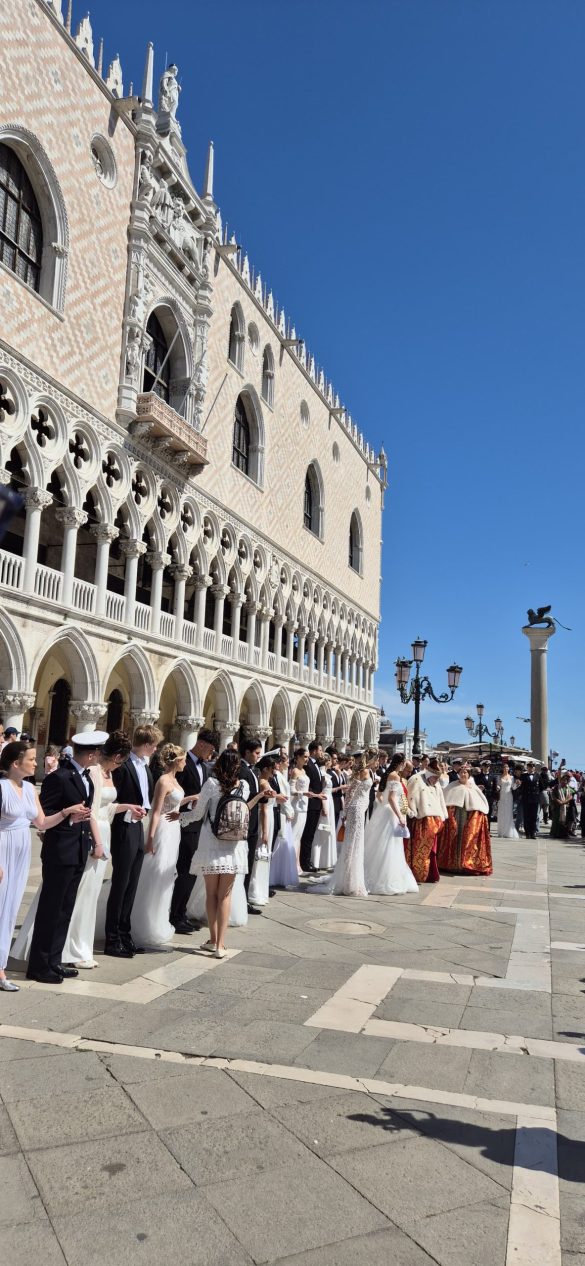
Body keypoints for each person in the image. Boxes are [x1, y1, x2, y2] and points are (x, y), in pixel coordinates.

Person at [0, 741, 90, 990]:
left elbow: (41, 822)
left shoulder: (29, 789)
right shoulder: (1, 787)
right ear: (15, 763)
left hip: (20, 852)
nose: (36, 763)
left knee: (9, 910)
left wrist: (66, 813)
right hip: (2, 848)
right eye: (31, 759)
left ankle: (0, 969)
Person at [60, 731, 144, 968]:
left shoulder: (108, 773)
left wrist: (126, 806)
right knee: (83, 893)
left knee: (92, 892)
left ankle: (81, 946)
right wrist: (98, 844)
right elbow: (92, 814)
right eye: (123, 761)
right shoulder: (96, 772)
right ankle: (73, 949)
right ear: (117, 757)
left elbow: (106, 808)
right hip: (96, 836)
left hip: (104, 832)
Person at [27, 733, 102, 984]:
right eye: (98, 753)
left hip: (78, 849)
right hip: (60, 851)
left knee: (64, 910)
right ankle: (39, 965)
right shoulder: (58, 777)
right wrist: (68, 815)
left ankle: (54, 960)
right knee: (51, 909)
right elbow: (43, 816)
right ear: (90, 754)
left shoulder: (86, 777)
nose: (99, 756)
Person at [186, 749, 268, 956]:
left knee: (211, 894)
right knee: (226, 896)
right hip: (234, 845)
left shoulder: (212, 785)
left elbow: (197, 814)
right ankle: (221, 945)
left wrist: (180, 816)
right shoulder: (244, 786)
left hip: (212, 842)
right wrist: (259, 797)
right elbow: (244, 809)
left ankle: (213, 940)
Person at [129, 743, 193, 947]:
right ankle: (145, 922)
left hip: (174, 830)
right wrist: (150, 838)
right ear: (176, 761)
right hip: (164, 829)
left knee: (168, 874)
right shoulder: (164, 781)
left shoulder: (174, 780)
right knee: (157, 873)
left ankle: (159, 918)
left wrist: (191, 798)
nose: (186, 763)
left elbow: (173, 803)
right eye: (183, 760)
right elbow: (156, 811)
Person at [105, 724, 159, 957]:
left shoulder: (145, 767)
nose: (156, 749)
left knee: (132, 884)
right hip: (123, 826)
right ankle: (112, 938)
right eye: (154, 744)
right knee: (121, 883)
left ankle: (125, 934)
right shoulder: (123, 765)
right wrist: (128, 812)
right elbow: (112, 799)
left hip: (138, 825)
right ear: (146, 744)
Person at [170, 727, 216, 934]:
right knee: (182, 870)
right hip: (182, 824)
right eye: (210, 749)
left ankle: (182, 912)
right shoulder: (182, 762)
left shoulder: (205, 767)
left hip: (199, 826)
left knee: (191, 871)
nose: (211, 754)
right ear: (202, 744)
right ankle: (174, 914)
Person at [365, 754, 418, 895]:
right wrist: (400, 816)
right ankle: (386, 879)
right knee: (390, 847)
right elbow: (392, 798)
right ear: (400, 763)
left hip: (383, 812)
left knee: (380, 845)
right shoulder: (395, 776)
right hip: (390, 814)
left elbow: (379, 796)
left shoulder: (386, 775)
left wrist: (384, 807)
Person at [329, 752, 373, 896]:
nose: (377, 762)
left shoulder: (367, 771)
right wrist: (346, 813)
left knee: (356, 844)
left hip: (360, 809)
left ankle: (353, 879)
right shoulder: (364, 771)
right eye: (376, 759)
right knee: (353, 844)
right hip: (356, 809)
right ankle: (349, 881)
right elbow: (350, 793)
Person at [438, 766, 493, 875]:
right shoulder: (452, 786)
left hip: (468, 817)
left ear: (469, 774)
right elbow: (444, 799)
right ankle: (453, 864)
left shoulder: (473, 787)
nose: (463, 774)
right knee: (455, 838)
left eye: (465, 773)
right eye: (461, 772)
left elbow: (480, 803)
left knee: (466, 839)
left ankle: (465, 864)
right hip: (455, 816)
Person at [406, 758, 448, 882]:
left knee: (432, 851)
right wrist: (412, 811)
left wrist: (443, 816)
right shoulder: (416, 780)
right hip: (421, 821)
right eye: (435, 778)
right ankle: (418, 874)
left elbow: (440, 800)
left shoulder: (436, 783)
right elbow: (410, 797)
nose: (436, 781)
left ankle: (429, 873)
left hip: (435, 821)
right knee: (420, 850)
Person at [269, 751, 298, 888]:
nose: (288, 763)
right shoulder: (279, 776)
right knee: (279, 843)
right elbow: (283, 796)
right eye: (285, 761)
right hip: (281, 813)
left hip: (284, 812)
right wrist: (289, 811)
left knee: (282, 843)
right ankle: (274, 875)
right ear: (279, 764)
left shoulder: (281, 775)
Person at [299, 740, 327, 873]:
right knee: (307, 834)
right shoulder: (308, 765)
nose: (321, 753)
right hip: (310, 803)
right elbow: (308, 786)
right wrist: (317, 796)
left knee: (311, 834)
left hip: (316, 803)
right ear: (314, 751)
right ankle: (304, 862)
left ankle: (308, 860)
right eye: (320, 750)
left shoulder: (316, 765)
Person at [311, 754, 337, 871]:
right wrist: (324, 807)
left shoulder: (327, 773)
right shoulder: (322, 774)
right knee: (322, 830)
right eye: (330, 760)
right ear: (327, 761)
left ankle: (326, 860)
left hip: (329, 801)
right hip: (325, 802)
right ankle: (317, 860)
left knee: (328, 831)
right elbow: (322, 791)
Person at [289, 748, 310, 870]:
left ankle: (297, 864)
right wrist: (303, 794)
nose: (306, 759)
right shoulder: (295, 771)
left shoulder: (304, 771)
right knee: (294, 835)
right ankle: (291, 865)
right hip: (297, 806)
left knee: (299, 836)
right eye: (305, 757)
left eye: (307, 757)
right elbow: (291, 790)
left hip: (304, 806)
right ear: (298, 757)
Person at [496, 761, 519, 840]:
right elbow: (498, 785)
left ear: (509, 768)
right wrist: (497, 788)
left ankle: (508, 831)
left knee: (508, 813)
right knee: (501, 813)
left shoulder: (512, 777)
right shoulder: (499, 777)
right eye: (504, 767)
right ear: (502, 769)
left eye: (507, 767)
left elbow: (513, 787)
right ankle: (501, 831)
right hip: (502, 796)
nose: (505, 769)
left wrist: (517, 784)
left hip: (509, 796)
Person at [550, 772, 574, 839]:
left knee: (565, 821)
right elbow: (553, 795)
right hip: (557, 806)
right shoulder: (557, 787)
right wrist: (558, 801)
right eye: (563, 780)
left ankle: (564, 834)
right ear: (561, 780)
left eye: (566, 780)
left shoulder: (568, 788)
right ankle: (556, 834)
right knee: (557, 820)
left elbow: (570, 797)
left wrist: (564, 802)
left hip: (566, 806)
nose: (564, 782)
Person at [520, 762, 540, 839]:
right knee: (526, 816)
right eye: (529, 767)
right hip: (526, 798)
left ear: (534, 767)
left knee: (534, 816)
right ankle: (527, 833)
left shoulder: (537, 775)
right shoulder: (523, 776)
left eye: (532, 767)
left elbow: (542, 785)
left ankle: (533, 832)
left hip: (535, 798)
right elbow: (521, 786)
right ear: (527, 767)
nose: (530, 768)